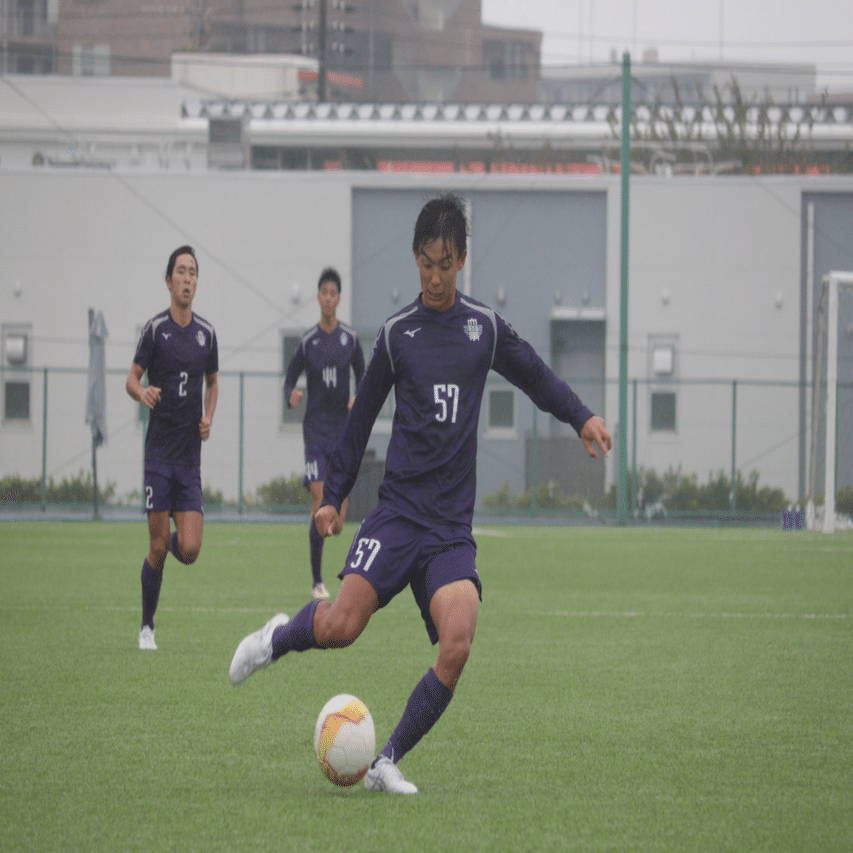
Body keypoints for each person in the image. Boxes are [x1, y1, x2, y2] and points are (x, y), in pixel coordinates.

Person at [229, 194, 611, 793]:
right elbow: (360, 422)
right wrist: (333, 494)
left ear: (462, 260)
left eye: (446, 263)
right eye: (426, 263)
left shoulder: (482, 327)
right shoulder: (397, 333)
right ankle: (278, 636)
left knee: (457, 642)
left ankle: (385, 761)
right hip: (398, 516)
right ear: (414, 258)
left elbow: (535, 373)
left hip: (449, 530)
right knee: (339, 628)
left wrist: (581, 415)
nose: (435, 277)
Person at [126, 245, 219, 651]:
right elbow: (131, 378)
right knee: (159, 547)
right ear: (169, 281)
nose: (187, 278)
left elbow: (213, 383)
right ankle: (147, 626)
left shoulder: (206, 334)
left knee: (192, 548)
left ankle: (172, 536)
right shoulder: (155, 329)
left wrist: (208, 416)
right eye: (180, 271)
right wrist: (141, 392)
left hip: (189, 460)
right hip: (159, 458)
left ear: (196, 282)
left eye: (193, 272)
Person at [283, 267, 366, 600]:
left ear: (338, 299)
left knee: (338, 523)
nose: (329, 298)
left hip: (342, 435)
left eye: (334, 293)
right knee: (320, 503)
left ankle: (323, 558)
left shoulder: (350, 339)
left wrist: (358, 396)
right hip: (315, 433)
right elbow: (289, 379)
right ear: (318, 298)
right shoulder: (308, 342)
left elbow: (365, 375)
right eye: (324, 293)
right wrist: (291, 394)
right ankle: (318, 581)